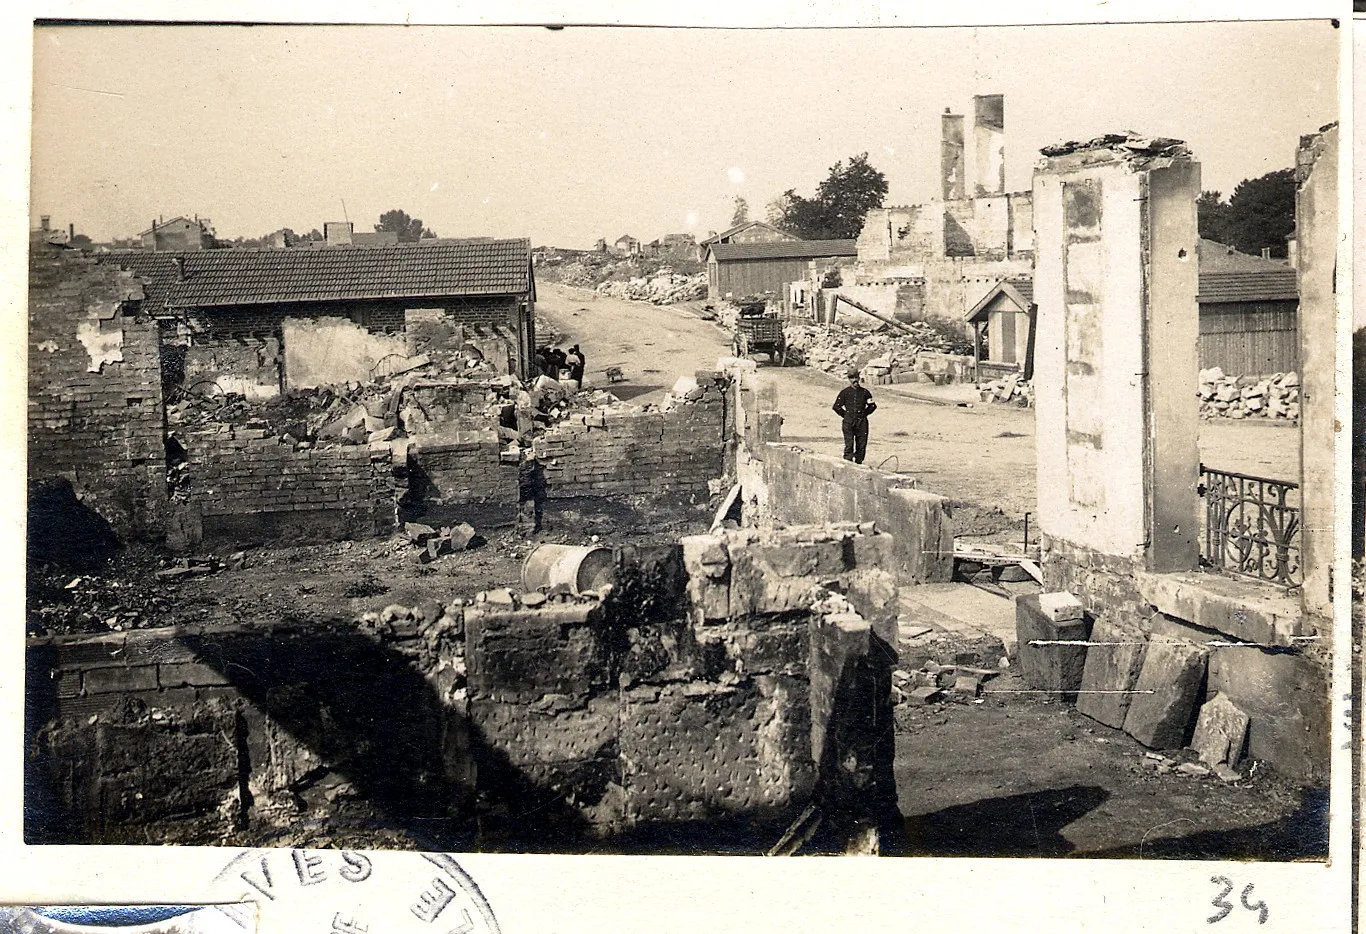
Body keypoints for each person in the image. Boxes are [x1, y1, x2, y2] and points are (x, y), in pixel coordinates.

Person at [832, 368, 876, 464]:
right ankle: (848, 466)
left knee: (861, 445)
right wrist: (846, 415)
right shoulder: (845, 393)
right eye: (851, 378)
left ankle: (859, 464)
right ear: (848, 379)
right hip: (848, 422)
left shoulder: (865, 392)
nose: (854, 380)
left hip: (861, 422)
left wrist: (864, 413)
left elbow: (872, 406)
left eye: (856, 377)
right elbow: (836, 406)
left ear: (859, 377)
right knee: (849, 445)